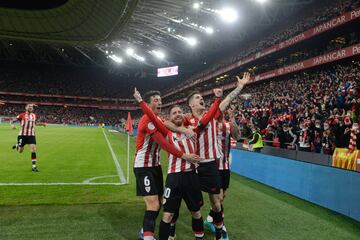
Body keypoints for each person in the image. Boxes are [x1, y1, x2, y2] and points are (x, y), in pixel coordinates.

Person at [166, 72, 251, 240]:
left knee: (216, 202)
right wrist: (183, 129)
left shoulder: (212, 115)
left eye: (201, 97)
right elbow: (167, 123)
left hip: (211, 165)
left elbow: (227, 100)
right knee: (182, 200)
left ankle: (219, 233)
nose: (201, 99)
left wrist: (240, 86)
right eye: (197, 98)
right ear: (190, 104)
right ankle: (172, 229)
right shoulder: (186, 120)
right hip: (193, 166)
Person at [134, 87, 223, 240]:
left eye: (180, 112)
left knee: (195, 212)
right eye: (174, 113)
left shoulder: (193, 129)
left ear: (185, 116)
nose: (177, 114)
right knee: (167, 213)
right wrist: (141, 102)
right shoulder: (167, 131)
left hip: (190, 177)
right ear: (168, 118)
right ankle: (161, 234)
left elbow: (208, 117)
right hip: (173, 177)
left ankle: (209, 235)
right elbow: (156, 122)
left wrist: (217, 99)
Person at [11, 104, 46, 172]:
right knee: (20, 151)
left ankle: (34, 166)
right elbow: (13, 120)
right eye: (29, 107)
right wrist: (12, 125)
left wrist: (42, 124)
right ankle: (18, 145)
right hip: (22, 135)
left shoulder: (34, 115)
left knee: (33, 150)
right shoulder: (22, 115)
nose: (30, 108)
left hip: (31, 135)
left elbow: (35, 123)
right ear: (26, 108)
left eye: (32, 107)